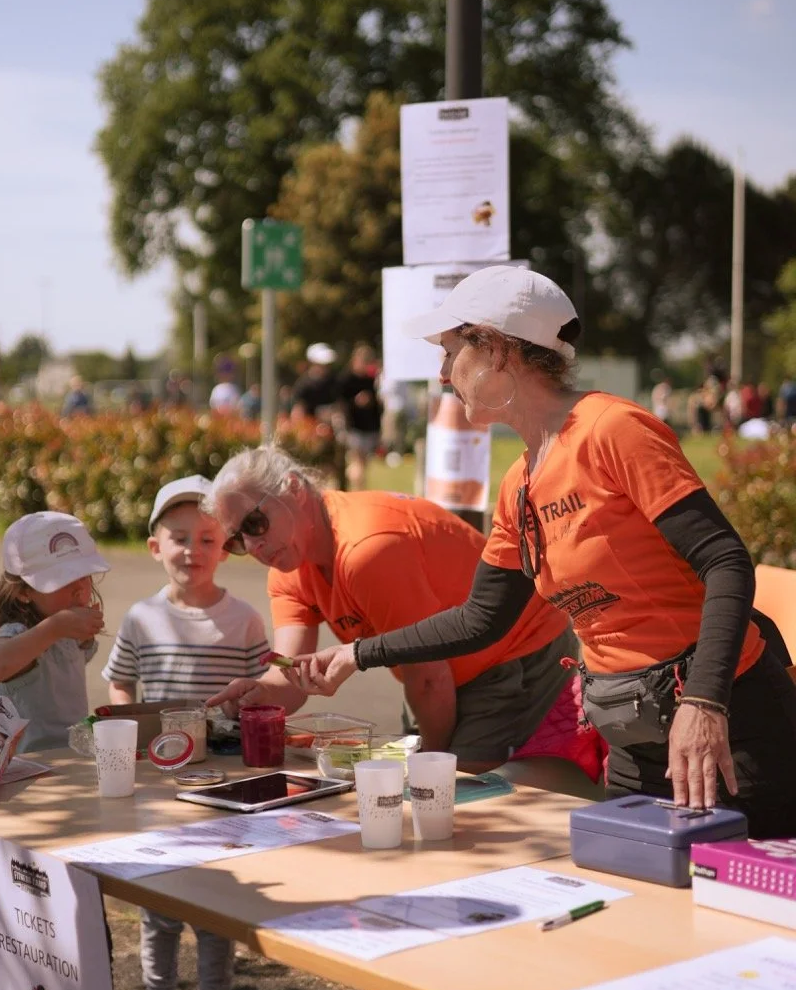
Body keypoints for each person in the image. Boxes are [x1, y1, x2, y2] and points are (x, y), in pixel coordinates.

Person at [290, 265, 796, 840]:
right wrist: (358, 654)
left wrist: (705, 703)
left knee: (748, 910)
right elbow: (483, 618)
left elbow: (726, 559)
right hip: (632, 738)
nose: (441, 374)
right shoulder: (520, 482)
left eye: (451, 351)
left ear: (498, 349)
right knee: (641, 898)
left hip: (728, 726)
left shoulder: (613, 429)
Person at [204, 450, 598, 780]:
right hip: (435, 674)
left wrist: (429, 767)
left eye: (255, 523)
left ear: (293, 488)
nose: (253, 544)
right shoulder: (288, 566)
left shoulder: (366, 550)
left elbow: (428, 677)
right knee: (427, 791)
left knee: (455, 794)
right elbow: (290, 675)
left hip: (513, 652)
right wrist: (260, 694)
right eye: (237, 540)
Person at [0, 511, 170, 990]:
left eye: (86, 578)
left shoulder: (65, 632)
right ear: (22, 591)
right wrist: (56, 626)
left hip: (69, 806)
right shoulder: (18, 635)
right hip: (20, 810)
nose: (83, 590)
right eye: (66, 580)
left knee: (84, 937)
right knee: (8, 938)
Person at [103, 476, 266, 990]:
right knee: (161, 904)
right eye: (178, 538)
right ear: (154, 546)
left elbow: (261, 694)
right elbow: (119, 681)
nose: (192, 550)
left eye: (206, 538)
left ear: (224, 546)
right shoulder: (141, 619)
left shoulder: (245, 620)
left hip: (220, 786)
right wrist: (130, 734)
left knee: (215, 901)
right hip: (159, 784)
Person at [337, 344, 383, 491]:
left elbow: (377, 405)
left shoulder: (370, 380)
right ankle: (359, 489)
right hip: (353, 426)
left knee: (362, 463)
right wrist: (355, 402)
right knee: (357, 461)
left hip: (369, 427)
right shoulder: (346, 379)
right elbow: (340, 403)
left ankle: (358, 488)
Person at [291, 343, 338, 421]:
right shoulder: (303, 385)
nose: (325, 367)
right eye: (322, 364)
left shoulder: (333, 381)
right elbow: (298, 413)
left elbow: (338, 405)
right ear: (313, 364)